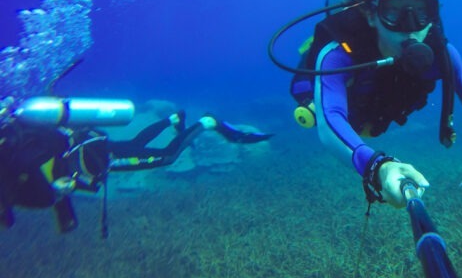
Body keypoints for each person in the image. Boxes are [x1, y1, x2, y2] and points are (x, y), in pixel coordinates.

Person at [288, 0, 462, 211]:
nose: (410, 27)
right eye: (394, 11)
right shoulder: (339, 55)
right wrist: (378, 167)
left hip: (380, 112)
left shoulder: (442, 55)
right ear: (370, 14)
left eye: (421, 11)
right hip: (356, 111)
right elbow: (331, 119)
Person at [0, 98, 272, 234]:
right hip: (88, 146)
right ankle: (172, 119)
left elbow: (37, 189)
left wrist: (58, 197)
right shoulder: (11, 149)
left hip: (93, 158)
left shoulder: (10, 161)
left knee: (167, 157)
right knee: (131, 144)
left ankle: (206, 123)